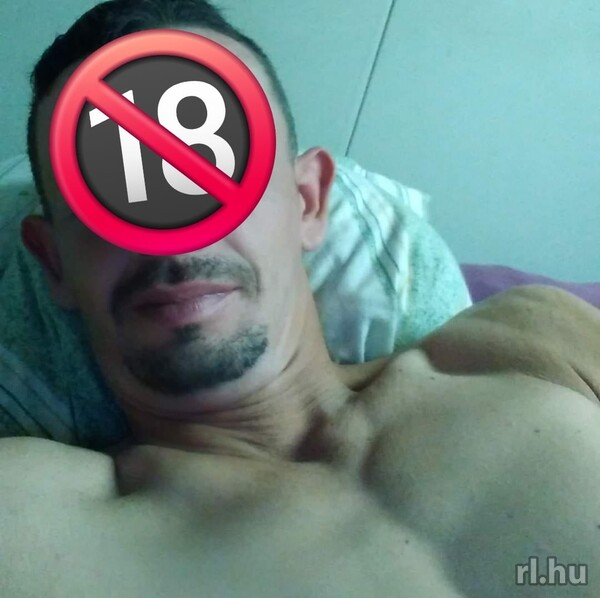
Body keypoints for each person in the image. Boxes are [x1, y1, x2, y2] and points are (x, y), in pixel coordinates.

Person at [2, 1, 599, 596]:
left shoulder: (531, 342)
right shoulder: (28, 515)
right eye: (108, 192)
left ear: (309, 202)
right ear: (54, 262)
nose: (176, 236)